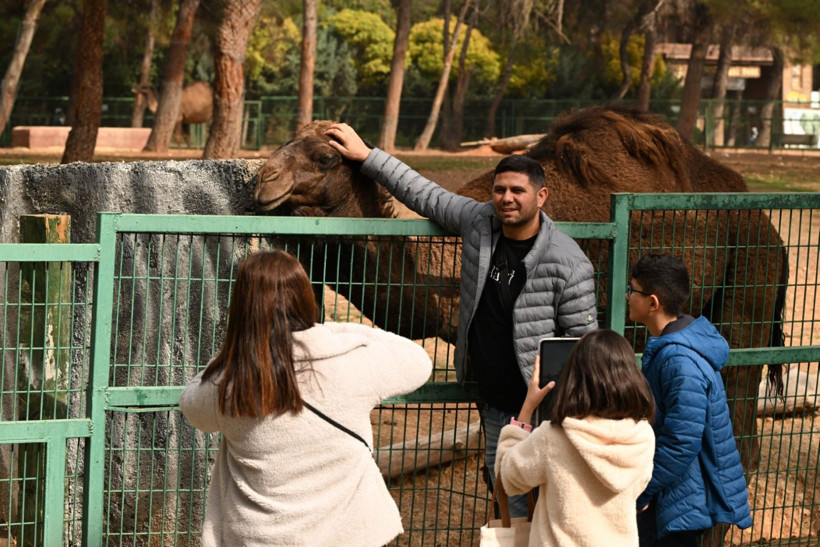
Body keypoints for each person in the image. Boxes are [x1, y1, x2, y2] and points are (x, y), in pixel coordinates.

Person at [326, 123, 599, 518]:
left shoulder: (568, 262)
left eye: (517, 191)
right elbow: (425, 194)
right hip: (492, 402)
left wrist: (556, 408)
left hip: (542, 410)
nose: (506, 199)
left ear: (541, 196)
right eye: (500, 190)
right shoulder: (479, 223)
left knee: (550, 507)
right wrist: (367, 156)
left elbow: (581, 346)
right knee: (505, 497)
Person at [179, 250, 432, 546]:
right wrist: (335, 330)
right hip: (348, 535)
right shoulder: (349, 362)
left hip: (258, 539)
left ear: (241, 307)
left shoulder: (227, 384)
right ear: (304, 297)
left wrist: (235, 348)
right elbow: (419, 361)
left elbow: (190, 404)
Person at [626, 254, 753, 546]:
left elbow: (682, 440)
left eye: (633, 290)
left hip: (682, 499)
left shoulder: (680, 361)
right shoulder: (668, 344)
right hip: (676, 490)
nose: (628, 296)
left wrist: (642, 491)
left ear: (653, 302)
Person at [496, 329, 656, 546]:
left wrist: (527, 408)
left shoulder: (554, 437)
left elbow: (508, 477)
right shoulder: (642, 436)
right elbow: (639, 487)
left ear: (573, 377)